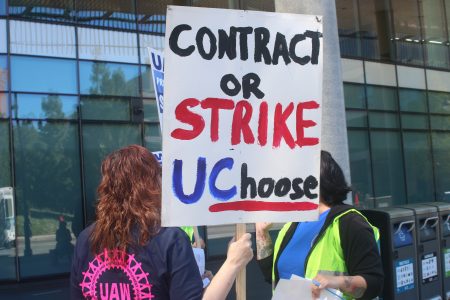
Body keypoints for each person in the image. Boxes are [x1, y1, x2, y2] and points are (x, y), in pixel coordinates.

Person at [70, 145, 252, 300]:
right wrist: (233, 263)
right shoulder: (169, 239)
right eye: (158, 177)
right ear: (149, 185)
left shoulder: (86, 239)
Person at [256, 150, 383, 300]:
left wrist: (337, 281)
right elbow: (273, 276)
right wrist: (261, 234)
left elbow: (374, 284)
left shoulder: (350, 223)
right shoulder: (292, 224)